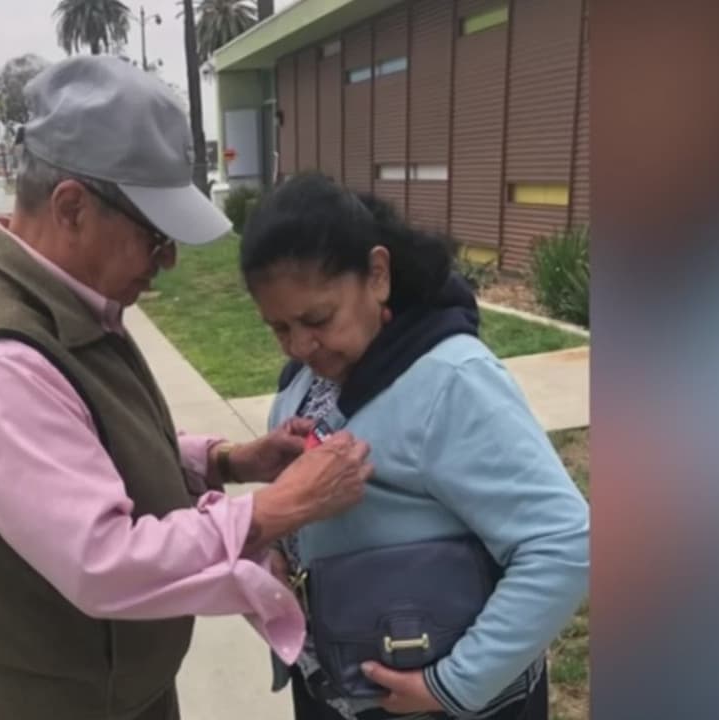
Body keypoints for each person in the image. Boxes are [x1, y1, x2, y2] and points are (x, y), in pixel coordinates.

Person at [0, 57, 373, 720]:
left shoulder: (61, 302)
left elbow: (81, 443)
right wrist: (274, 509)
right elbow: (105, 562)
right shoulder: (0, 365)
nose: (168, 261)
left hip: (116, 693)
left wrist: (223, 461)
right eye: (155, 236)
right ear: (71, 208)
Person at [239, 174, 590, 720]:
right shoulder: (299, 387)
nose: (301, 345)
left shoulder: (452, 381)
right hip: (331, 688)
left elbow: (565, 543)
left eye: (317, 319)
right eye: (278, 328)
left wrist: (454, 685)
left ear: (377, 275)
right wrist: (280, 552)